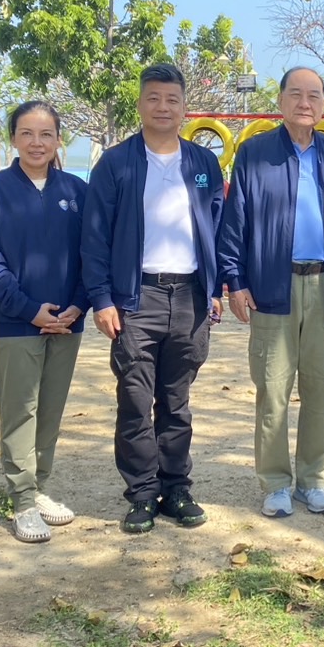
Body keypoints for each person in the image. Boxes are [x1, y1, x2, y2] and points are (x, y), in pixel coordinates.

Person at [81, 64, 224, 535]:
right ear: (141, 104)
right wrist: (102, 299)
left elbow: (218, 227)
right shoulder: (116, 164)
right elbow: (94, 238)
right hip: (135, 297)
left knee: (177, 401)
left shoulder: (202, 164)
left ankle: (176, 489)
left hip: (190, 297)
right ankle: (142, 494)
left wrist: (215, 287)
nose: (163, 107)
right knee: (135, 400)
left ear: (184, 108)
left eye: (172, 99)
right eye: (154, 98)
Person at [217, 67, 324, 518]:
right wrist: (235, 281)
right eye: (295, 94)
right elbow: (235, 221)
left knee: (320, 390)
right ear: (280, 101)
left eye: (314, 95)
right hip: (271, 288)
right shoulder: (255, 153)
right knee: (273, 392)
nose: (304, 102)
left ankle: (314, 481)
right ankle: (276, 483)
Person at [0, 101, 89, 544]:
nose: (37, 143)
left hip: (68, 322)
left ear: (59, 139)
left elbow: (92, 255)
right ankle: (21, 502)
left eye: (46, 134)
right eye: (27, 133)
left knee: (50, 412)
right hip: (14, 324)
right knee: (20, 412)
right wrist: (28, 309)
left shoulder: (78, 192)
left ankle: (38, 489)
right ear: (13, 139)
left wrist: (79, 305)